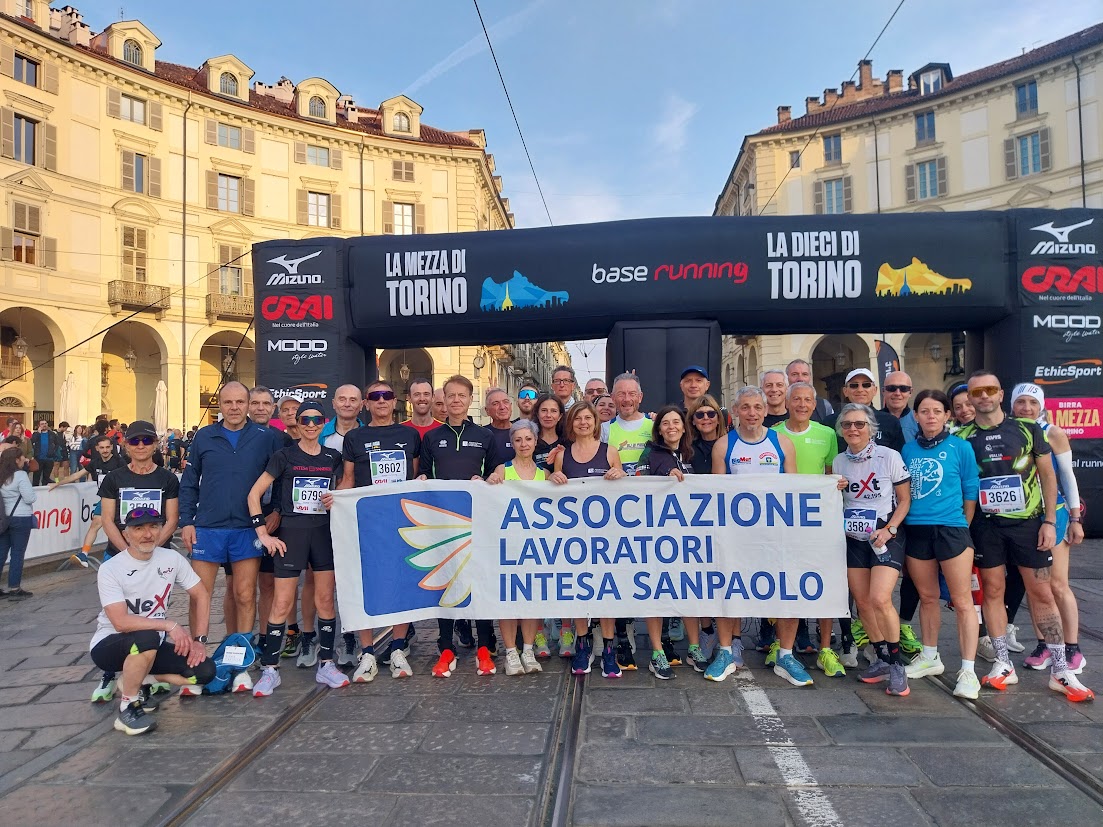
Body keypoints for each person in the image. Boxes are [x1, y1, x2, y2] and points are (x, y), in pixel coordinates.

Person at [956, 372, 1092, 702]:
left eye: (990, 390)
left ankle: (1061, 669)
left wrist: (1050, 521)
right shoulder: (962, 437)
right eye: (977, 392)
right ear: (970, 398)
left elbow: (1049, 475)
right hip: (986, 527)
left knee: (1042, 592)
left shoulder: (1029, 429)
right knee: (993, 591)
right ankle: (1003, 663)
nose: (984, 396)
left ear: (1000, 394)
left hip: (1028, 525)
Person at [179, 381, 286, 693]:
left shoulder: (266, 436)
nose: (235, 407)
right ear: (220, 405)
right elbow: (189, 481)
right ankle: (197, 661)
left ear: (248, 404)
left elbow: (280, 478)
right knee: (199, 595)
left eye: (241, 402)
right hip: (208, 527)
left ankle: (239, 664)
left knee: (244, 595)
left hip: (246, 529)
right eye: (228, 402)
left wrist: (277, 510)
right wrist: (186, 521)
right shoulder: (204, 436)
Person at [249, 401, 348, 696]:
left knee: (326, 600)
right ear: (298, 422)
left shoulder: (332, 457)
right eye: (305, 419)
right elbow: (254, 495)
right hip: (291, 535)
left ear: (323, 423)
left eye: (316, 419)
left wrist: (336, 497)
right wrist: (263, 534)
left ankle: (326, 664)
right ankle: (270, 670)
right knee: (281, 603)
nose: (311, 425)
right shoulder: (284, 455)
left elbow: (345, 488)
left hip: (322, 534)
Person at [89, 508, 215, 735]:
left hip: (150, 646)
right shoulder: (110, 568)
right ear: (126, 534)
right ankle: (128, 707)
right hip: (109, 645)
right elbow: (120, 623)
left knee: (205, 671)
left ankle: (141, 679)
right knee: (147, 637)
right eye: (139, 528)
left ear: (161, 530)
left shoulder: (172, 559)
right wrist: (169, 625)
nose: (147, 534)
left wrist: (199, 641)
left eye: (153, 527)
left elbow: (201, 594)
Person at [706, 387, 799, 685]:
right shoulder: (724, 445)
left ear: (766, 410)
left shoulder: (782, 443)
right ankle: (725, 651)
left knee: (786, 589)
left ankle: (786, 654)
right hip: (736, 534)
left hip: (775, 532)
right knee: (728, 587)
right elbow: (717, 493)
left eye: (757, 407)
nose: (752, 413)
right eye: (745, 407)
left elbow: (795, 489)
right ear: (735, 411)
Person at [417, 374, 501, 678]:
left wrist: (491, 478)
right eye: (450, 395)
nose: (455, 401)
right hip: (442, 522)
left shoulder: (485, 436)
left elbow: (497, 471)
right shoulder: (431, 438)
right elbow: (424, 474)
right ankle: (445, 645)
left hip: (477, 521)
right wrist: (422, 479)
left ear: (469, 400)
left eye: (461, 396)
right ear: (443, 400)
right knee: (446, 580)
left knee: (479, 581)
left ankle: (485, 644)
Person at [901, 389, 981, 699]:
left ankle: (968, 671)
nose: (931, 416)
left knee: (962, 601)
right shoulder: (908, 450)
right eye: (924, 411)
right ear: (916, 416)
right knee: (928, 596)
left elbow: (970, 490)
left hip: (952, 530)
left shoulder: (960, 447)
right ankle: (930, 655)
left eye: (937, 411)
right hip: (917, 530)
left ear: (947, 415)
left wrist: (962, 525)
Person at [339, 380, 421, 680]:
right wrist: (333, 500)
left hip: (401, 521)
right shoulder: (354, 437)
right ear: (366, 404)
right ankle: (367, 652)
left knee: (401, 583)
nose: (382, 400)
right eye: (375, 396)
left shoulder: (409, 435)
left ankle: (398, 647)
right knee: (367, 585)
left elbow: (415, 477)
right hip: (367, 523)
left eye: (387, 395)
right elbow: (348, 479)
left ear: (395, 401)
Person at [833, 402, 912, 697]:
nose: (853, 429)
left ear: (870, 428)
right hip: (854, 537)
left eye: (859, 424)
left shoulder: (888, 456)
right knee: (863, 602)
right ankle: (881, 657)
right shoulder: (839, 461)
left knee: (880, 598)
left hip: (884, 534)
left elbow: (904, 499)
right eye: (847, 424)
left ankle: (897, 664)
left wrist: (890, 529)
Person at [1010, 384, 1088, 676]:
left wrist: (1076, 518)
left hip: (1054, 514)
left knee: (1057, 584)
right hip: (1024, 517)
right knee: (1036, 586)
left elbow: (1068, 476)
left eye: (1033, 402)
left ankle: (1073, 649)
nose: (1026, 407)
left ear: (1041, 406)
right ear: (1012, 405)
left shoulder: (1052, 432)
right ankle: (1044, 644)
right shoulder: (1009, 432)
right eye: (1021, 402)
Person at [772, 382, 846, 677]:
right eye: (797, 399)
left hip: (816, 521)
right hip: (781, 519)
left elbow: (830, 474)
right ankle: (781, 645)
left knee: (824, 580)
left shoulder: (827, 434)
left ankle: (825, 648)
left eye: (807, 400)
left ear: (814, 405)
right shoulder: (774, 433)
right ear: (787, 403)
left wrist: (836, 485)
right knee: (782, 581)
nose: (802, 405)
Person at [548, 401, 626, 678]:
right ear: (571, 423)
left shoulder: (610, 452)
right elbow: (553, 490)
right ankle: (582, 644)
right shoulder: (562, 455)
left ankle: (608, 649)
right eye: (577, 418)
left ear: (595, 423)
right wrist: (553, 476)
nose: (583, 423)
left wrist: (621, 474)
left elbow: (625, 490)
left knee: (605, 590)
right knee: (578, 589)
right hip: (574, 537)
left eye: (587, 418)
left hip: (605, 535)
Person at [635, 406, 699, 679]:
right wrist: (663, 479)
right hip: (657, 535)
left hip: (691, 536)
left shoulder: (694, 453)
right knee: (656, 591)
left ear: (684, 427)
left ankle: (694, 648)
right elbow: (636, 487)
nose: (671, 427)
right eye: (666, 423)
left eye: (676, 422)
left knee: (690, 590)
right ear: (659, 429)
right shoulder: (650, 454)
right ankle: (657, 652)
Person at [488, 419, 548, 677]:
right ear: (512, 443)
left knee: (531, 601)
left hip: (535, 547)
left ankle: (528, 650)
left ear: (536, 441)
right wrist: (490, 481)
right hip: (508, 548)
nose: (524, 444)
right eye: (518, 440)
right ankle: (511, 652)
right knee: (508, 601)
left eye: (528, 439)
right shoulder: (502, 470)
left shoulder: (545, 474)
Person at [52, 435, 125, 568]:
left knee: (120, 529)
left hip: (121, 501)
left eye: (107, 447)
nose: (105, 450)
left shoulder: (120, 462)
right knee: (96, 523)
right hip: (105, 500)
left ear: (112, 447)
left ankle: (122, 557)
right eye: (102, 448)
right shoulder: (95, 463)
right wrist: (58, 483)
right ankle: (84, 554)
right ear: (97, 448)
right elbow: (77, 475)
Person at [825, 369, 905, 453]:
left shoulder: (890, 422)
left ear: (875, 390)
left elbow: (899, 455)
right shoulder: (830, 422)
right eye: (854, 385)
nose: (860, 390)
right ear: (845, 391)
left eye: (866, 385)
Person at [0, 447, 35, 599]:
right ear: (16, 460)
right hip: (21, 517)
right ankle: (14, 587)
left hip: (3, 518)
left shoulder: (2, 475)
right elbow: (30, 498)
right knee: (17, 553)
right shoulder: (20, 475)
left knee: (1, 553)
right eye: (22, 457)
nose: (24, 459)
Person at [688, 395, 726, 475]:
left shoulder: (729, 445)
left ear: (718, 419)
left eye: (711, 414)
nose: (705, 418)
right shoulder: (688, 448)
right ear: (693, 421)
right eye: (700, 415)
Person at [883, 370, 919, 443]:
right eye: (891, 388)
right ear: (883, 391)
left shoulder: (920, 420)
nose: (897, 393)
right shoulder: (873, 420)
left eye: (903, 389)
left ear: (910, 392)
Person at [533, 393, 566, 474]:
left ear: (560, 416)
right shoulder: (529, 442)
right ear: (537, 414)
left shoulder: (568, 443)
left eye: (553, 411)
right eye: (544, 410)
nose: (548, 415)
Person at [485, 387, 515, 464]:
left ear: (511, 406)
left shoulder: (521, 432)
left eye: (506, 402)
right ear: (487, 410)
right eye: (496, 404)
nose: (502, 407)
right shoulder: (482, 434)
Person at [31, 419, 63, 486]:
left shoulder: (52, 434)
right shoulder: (36, 434)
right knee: (36, 477)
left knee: (46, 477)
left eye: (45, 423)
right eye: (42, 424)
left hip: (49, 459)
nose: (44, 425)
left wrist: (53, 451)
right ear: (39, 426)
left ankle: (44, 489)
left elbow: (57, 443)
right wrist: (38, 433)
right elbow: (32, 441)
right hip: (38, 458)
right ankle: (35, 489)